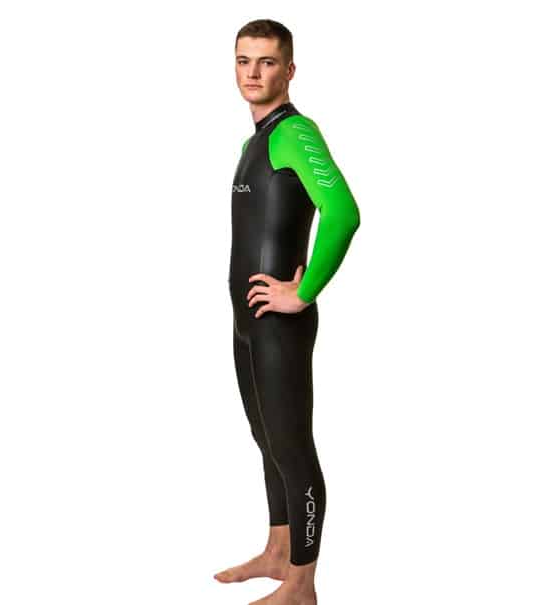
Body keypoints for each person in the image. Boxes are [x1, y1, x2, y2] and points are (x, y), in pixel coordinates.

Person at [214, 19, 361, 605]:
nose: (253, 72)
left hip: (281, 324)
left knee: (292, 444)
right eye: (243, 60)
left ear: (289, 70)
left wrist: (303, 293)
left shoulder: (296, 132)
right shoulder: (253, 142)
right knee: (266, 436)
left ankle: (302, 583)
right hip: (247, 321)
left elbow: (343, 212)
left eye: (267, 62)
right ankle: (279, 550)